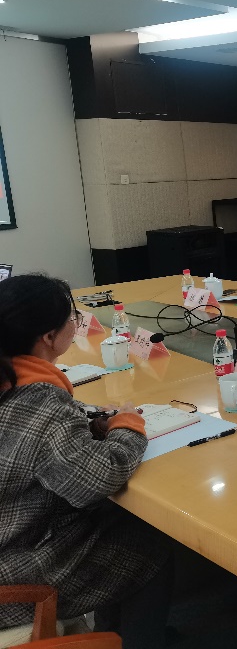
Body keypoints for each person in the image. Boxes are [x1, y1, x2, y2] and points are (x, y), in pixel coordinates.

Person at [0, 274, 172, 647]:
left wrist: (90, 425)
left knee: (117, 520)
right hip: (12, 574)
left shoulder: (11, 377)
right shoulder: (40, 401)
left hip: (9, 537)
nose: (75, 324)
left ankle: (112, 630)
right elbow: (99, 478)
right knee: (149, 538)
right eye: (72, 318)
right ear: (49, 337)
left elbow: (36, 443)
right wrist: (127, 426)